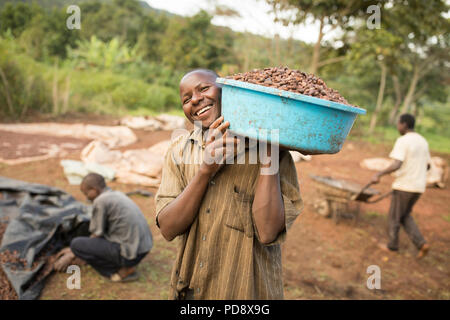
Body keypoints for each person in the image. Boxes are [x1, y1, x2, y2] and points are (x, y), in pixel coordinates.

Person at [155, 69, 303, 300]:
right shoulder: (179, 151)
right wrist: (205, 171)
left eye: (204, 88)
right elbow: (168, 228)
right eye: (186, 99)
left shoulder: (272, 152)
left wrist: (267, 152)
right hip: (190, 292)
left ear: (228, 90)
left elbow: (267, 232)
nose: (194, 99)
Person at [54, 173, 153, 282]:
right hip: (144, 248)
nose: (86, 197)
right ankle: (125, 263)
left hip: (130, 255)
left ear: (94, 190)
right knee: (85, 244)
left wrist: (73, 253)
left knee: (76, 244)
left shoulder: (101, 201)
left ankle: (119, 270)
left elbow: (96, 234)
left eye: (86, 193)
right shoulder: (116, 194)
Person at [370, 114, 430, 259]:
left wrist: (379, 174)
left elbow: (397, 164)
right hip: (419, 186)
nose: (398, 127)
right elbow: (427, 165)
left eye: (398, 123)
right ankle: (422, 244)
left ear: (404, 124)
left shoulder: (403, 141)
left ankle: (392, 246)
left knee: (394, 217)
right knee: (405, 215)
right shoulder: (423, 141)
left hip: (405, 186)